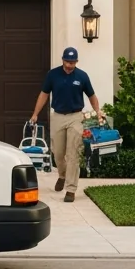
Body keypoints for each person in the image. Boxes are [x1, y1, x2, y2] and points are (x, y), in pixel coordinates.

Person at [29, 46, 104, 202]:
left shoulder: (82, 76)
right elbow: (44, 95)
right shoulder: (52, 75)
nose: (70, 65)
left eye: (73, 62)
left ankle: (71, 189)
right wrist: (35, 114)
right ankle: (62, 175)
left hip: (75, 117)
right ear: (63, 60)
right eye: (68, 62)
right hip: (58, 116)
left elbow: (92, 96)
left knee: (73, 154)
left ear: (76, 61)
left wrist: (98, 111)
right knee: (57, 153)